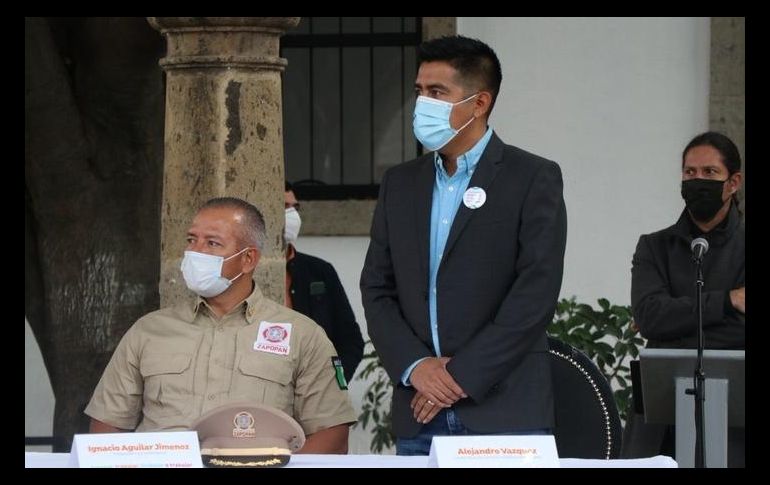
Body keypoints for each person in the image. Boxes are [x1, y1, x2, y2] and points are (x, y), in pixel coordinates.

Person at [359, 35, 567, 456]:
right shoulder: (400, 183)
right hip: (419, 413)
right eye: (419, 91)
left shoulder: (531, 177)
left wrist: (457, 378)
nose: (423, 104)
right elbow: (377, 288)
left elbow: (535, 293)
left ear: (479, 103)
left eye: (438, 92)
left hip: (504, 411)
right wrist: (417, 368)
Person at [85, 197, 356, 454]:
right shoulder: (148, 331)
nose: (195, 252)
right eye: (192, 240)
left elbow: (332, 434)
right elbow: (108, 424)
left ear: (248, 259)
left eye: (212, 243)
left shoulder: (302, 335)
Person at [626, 131, 744, 466]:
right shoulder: (654, 246)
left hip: (736, 422)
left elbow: (660, 324)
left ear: (733, 182)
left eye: (710, 173)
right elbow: (650, 316)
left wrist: (673, 326)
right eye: (690, 173)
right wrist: (728, 302)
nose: (698, 181)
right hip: (660, 424)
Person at [284, 181, 365, 383]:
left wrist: (338, 382)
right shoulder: (247, 272)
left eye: (295, 207)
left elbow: (350, 339)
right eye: (284, 207)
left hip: (316, 395)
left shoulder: (319, 271)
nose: (292, 214)